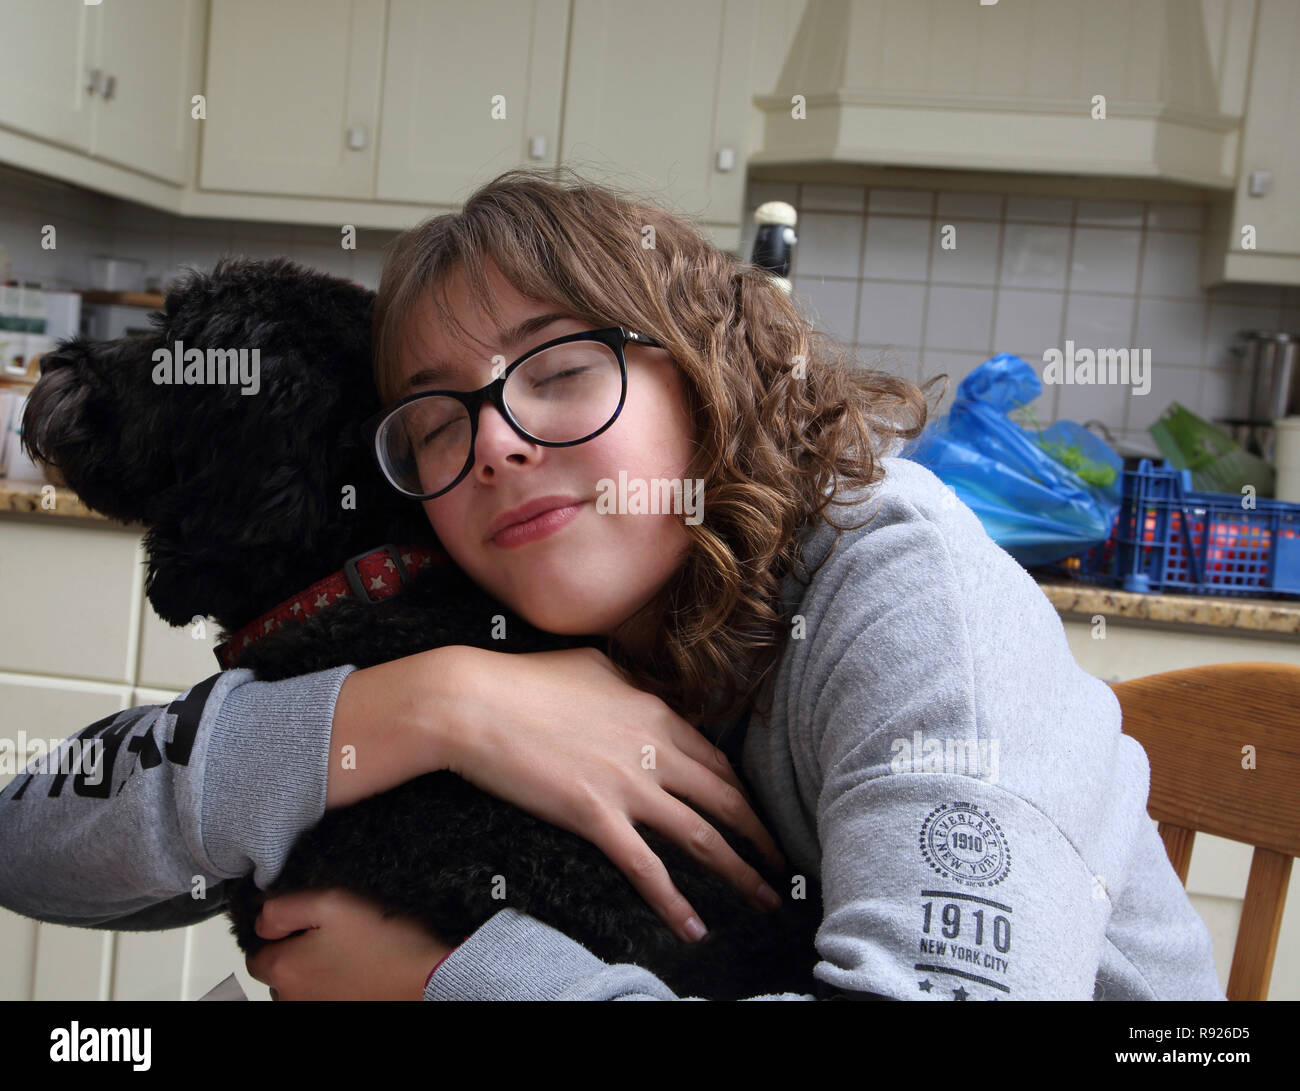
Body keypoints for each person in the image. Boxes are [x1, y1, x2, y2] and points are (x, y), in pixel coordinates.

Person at [0, 168, 1225, 1002]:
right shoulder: (470, 617)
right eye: (435, 418)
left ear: (701, 370)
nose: (495, 441)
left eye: (563, 370)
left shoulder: (909, 598)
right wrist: (421, 708)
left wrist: (456, 977)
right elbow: (33, 841)